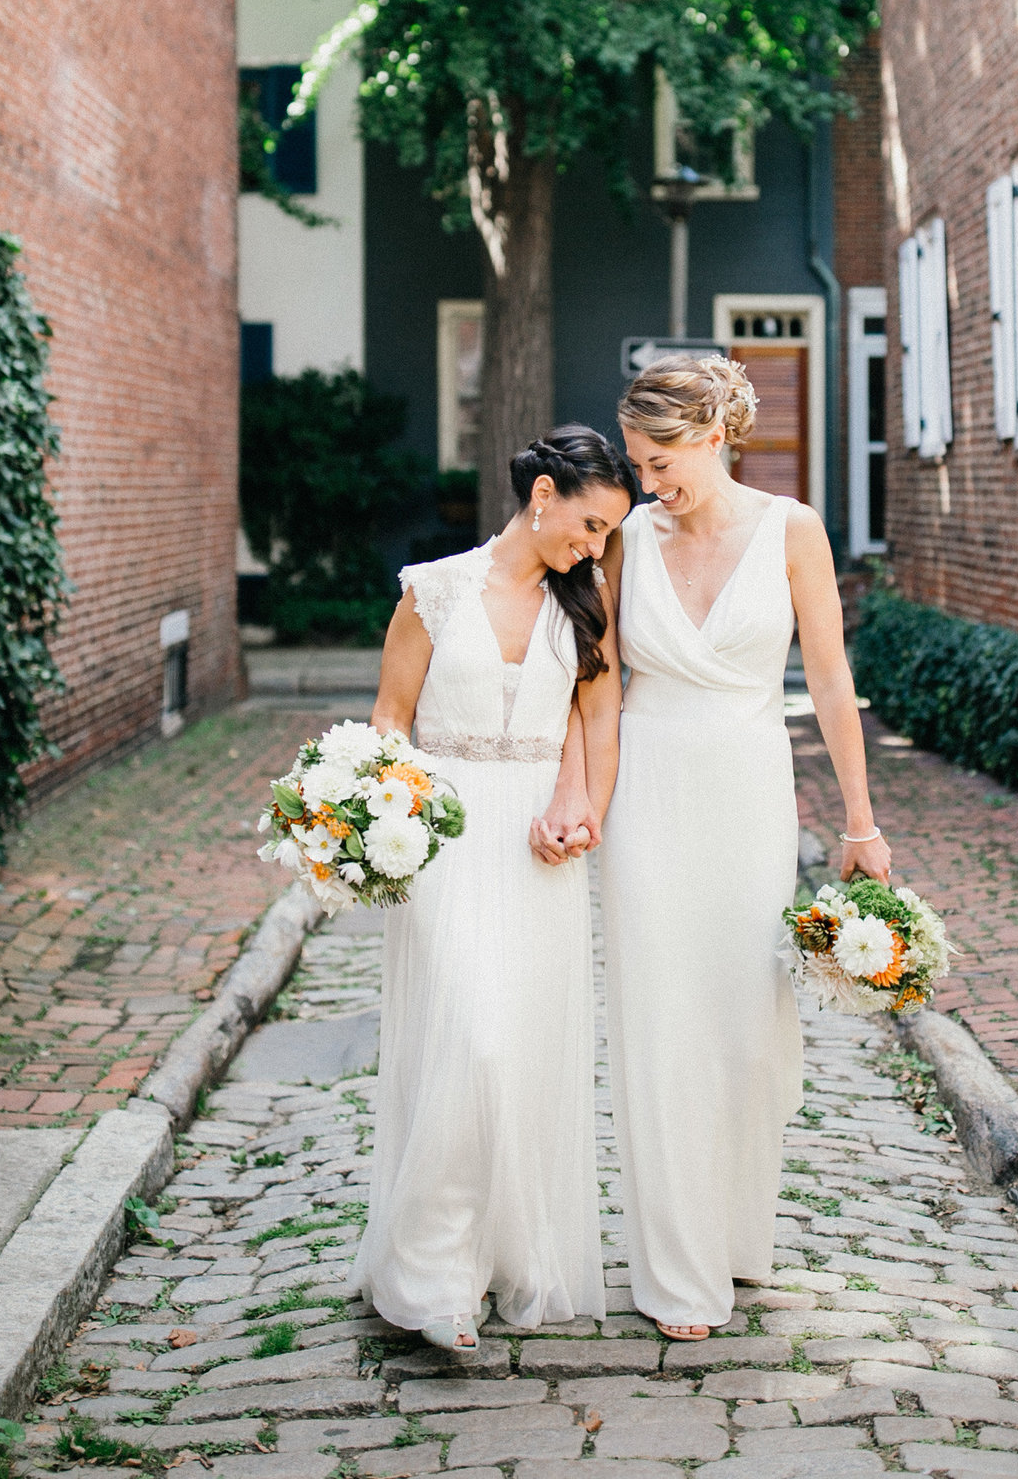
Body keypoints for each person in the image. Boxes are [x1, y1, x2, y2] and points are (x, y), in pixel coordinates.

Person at [590, 352, 889, 1341]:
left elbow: (833, 682)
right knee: (661, 1027)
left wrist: (860, 822)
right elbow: (591, 680)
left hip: (752, 799)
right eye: (637, 463)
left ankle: (736, 1239)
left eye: (661, 459)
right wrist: (568, 794)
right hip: (649, 803)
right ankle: (676, 1271)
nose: (648, 482)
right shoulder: (627, 536)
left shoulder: (791, 530)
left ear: (713, 436)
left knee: (747, 1036)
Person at [351, 424, 632, 1354]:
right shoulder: (431, 591)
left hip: (538, 850)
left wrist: (576, 809)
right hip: (447, 840)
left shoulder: (584, 607)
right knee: (466, 1041)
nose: (593, 550)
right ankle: (431, 1273)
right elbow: (391, 720)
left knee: (518, 1056)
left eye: (607, 537)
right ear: (543, 494)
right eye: (589, 526)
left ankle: (494, 1251)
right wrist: (387, 827)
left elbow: (596, 729)